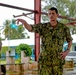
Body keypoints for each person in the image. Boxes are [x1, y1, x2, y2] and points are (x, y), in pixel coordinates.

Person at [16, 7, 73, 75]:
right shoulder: (43, 27)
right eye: (49, 14)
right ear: (48, 15)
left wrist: (67, 51)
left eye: (53, 13)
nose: (51, 15)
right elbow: (30, 28)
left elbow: (69, 40)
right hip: (45, 62)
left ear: (57, 15)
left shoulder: (63, 28)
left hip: (58, 61)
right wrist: (25, 22)